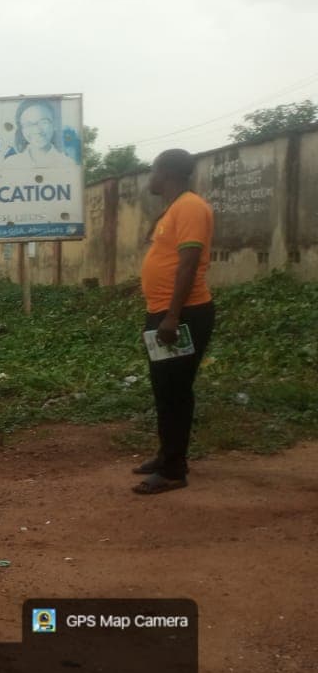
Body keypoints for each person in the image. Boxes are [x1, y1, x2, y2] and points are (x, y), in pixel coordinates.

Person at [133, 148, 216, 495]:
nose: (150, 178)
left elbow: (189, 263)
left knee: (175, 391)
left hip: (182, 315)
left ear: (166, 172)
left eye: (153, 171)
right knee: (164, 388)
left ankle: (173, 471)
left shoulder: (191, 207)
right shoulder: (175, 207)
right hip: (166, 312)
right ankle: (167, 454)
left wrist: (171, 315)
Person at [4, 99, 76, 169]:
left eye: (44, 122)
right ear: (21, 129)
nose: (37, 130)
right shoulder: (10, 164)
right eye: (29, 124)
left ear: (54, 125)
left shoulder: (68, 164)